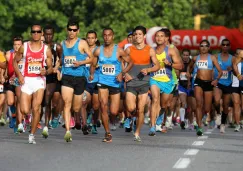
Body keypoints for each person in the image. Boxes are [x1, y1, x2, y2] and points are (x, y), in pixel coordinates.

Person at [13, 23, 53, 144]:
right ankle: (29, 118)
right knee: (25, 110)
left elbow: (51, 67)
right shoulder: (24, 47)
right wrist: (19, 75)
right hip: (26, 80)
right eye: (33, 32)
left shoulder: (46, 49)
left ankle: (32, 134)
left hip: (39, 81)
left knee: (36, 108)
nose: (36, 34)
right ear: (31, 33)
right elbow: (15, 61)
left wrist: (46, 71)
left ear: (41, 34)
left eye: (38, 32)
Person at [92, 27, 133, 143]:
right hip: (102, 81)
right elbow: (93, 63)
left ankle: (112, 118)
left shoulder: (119, 50)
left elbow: (131, 62)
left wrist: (122, 73)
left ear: (113, 36)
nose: (106, 37)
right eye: (104, 35)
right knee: (103, 106)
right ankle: (107, 133)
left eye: (109, 35)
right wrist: (92, 73)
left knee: (114, 111)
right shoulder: (98, 51)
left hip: (115, 82)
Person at [58, 19, 94, 142]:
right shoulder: (62, 44)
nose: (72, 32)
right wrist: (58, 69)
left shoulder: (82, 43)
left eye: (74, 30)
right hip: (67, 76)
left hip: (79, 78)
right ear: (67, 30)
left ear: (78, 31)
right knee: (66, 103)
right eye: (70, 30)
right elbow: (61, 60)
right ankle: (68, 131)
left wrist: (81, 62)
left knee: (77, 108)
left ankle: (74, 116)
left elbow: (92, 58)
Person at [124, 26, 160, 141]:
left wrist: (148, 70)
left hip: (144, 83)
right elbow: (120, 61)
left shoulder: (150, 50)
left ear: (144, 36)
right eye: (135, 34)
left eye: (140, 34)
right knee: (130, 108)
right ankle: (133, 117)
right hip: (131, 82)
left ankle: (137, 133)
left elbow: (157, 65)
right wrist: (125, 74)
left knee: (140, 109)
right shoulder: (129, 50)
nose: (137, 36)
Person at [149, 28, 183, 136]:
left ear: (166, 38)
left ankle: (159, 120)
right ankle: (153, 126)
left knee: (164, 105)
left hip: (168, 80)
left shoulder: (171, 50)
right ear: (155, 38)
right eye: (157, 36)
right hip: (154, 79)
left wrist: (170, 64)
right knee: (155, 99)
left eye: (161, 36)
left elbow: (180, 65)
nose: (159, 38)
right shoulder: (151, 50)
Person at [187, 40, 222, 136]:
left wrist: (216, 80)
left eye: (206, 46)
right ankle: (199, 126)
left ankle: (202, 117)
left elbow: (220, 71)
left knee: (206, 108)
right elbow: (189, 67)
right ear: (199, 47)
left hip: (209, 83)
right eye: (201, 46)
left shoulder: (212, 58)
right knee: (199, 104)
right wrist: (188, 74)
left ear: (209, 47)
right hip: (198, 82)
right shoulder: (195, 58)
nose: (203, 47)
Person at [41, 25, 62, 138]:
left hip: (52, 76)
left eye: (51, 34)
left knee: (49, 98)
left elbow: (61, 59)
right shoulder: (40, 46)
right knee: (42, 101)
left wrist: (56, 68)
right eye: (47, 34)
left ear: (53, 35)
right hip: (41, 76)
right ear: (43, 35)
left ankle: (46, 125)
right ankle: (42, 119)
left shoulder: (57, 46)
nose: (49, 36)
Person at [213, 39, 234, 133]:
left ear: (229, 46)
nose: (225, 46)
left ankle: (222, 124)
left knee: (226, 106)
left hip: (228, 83)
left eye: (227, 45)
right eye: (223, 45)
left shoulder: (232, 58)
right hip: (218, 82)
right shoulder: (216, 57)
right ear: (221, 46)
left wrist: (232, 69)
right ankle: (218, 113)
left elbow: (237, 69)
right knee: (217, 101)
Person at [4, 36, 24, 133]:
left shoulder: (25, 55)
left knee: (19, 102)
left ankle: (18, 122)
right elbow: (5, 67)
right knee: (10, 102)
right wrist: (3, 76)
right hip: (11, 81)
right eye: (15, 45)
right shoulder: (8, 54)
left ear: (22, 45)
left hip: (20, 82)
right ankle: (13, 115)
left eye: (19, 45)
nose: (17, 47)